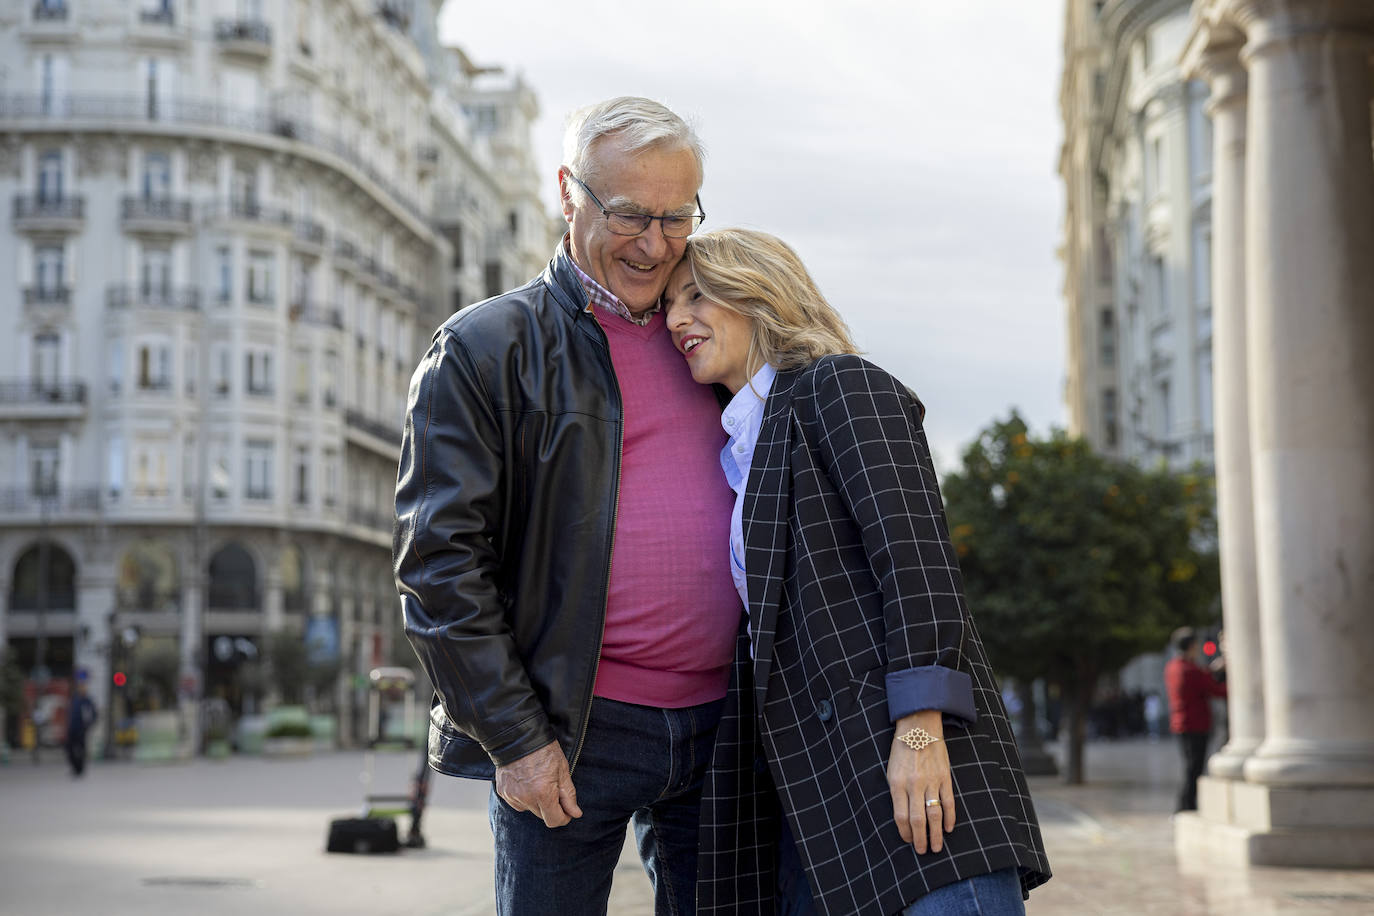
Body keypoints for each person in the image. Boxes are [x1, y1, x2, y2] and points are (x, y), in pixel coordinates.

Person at [394, 97, 738, 915]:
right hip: (569, 734)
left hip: (725, 725)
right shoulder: (485, 347)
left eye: (675, 216)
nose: (654, 245)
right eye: (627, 214)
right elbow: (440, 566)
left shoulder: (723, 332)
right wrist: (516, 741)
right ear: (567, 193)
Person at [663, 228, 1052, 915]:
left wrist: (921, 733)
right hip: (831, 797)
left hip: (916, 778)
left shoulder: (840, 387)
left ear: (759, 294)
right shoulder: (740, 448)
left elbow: (917, 565)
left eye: (697, 295)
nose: (675, 319)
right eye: (669, 304)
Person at [1164, 627, 1227, 812]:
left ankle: (1184, 806)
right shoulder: (1190, 670)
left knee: (1190, 767)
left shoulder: (1173, 667)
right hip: (1196, 724)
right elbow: (1215, 689)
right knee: (1194, 769)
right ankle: (1186, 807)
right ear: (1191, 646)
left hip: (1182, 724)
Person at [65, 675, 97, 778]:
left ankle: (80, 769)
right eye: (80, 687)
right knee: (69, 748)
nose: (81, 688)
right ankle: (75, 767)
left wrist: (88, 725)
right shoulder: (74, 698)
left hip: (81, 729)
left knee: (81, 750)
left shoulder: (87, 700)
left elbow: (93, 714)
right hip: (72, 728)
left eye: (83, 687)